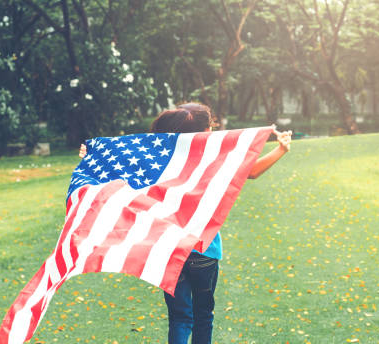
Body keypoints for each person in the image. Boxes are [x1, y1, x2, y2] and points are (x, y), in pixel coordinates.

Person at [79, 102, 291, 343]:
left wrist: (92, 158)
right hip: (204, 250)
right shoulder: (214, 159)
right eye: (210, 127)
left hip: (168, 249)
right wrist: (281, 149)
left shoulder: (156, 161)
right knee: (203, 316)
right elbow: (250, 172)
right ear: (203, 132)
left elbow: (117, 175)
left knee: (179, 317)